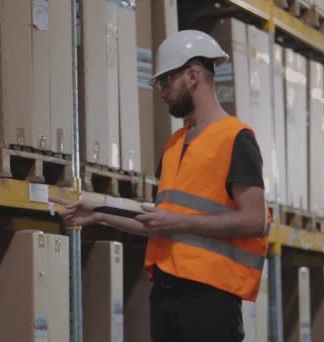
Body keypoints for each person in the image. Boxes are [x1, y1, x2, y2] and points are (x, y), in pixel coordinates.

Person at [50, 30, 270, 342]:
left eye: (167, 81)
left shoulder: (236, 139)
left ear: (192, 76)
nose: (162, 92)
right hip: (167, 295)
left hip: (210, 301)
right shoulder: (174, 144)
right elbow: (159, 224)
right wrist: (98, 211)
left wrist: (177, 221)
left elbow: (254, 220)